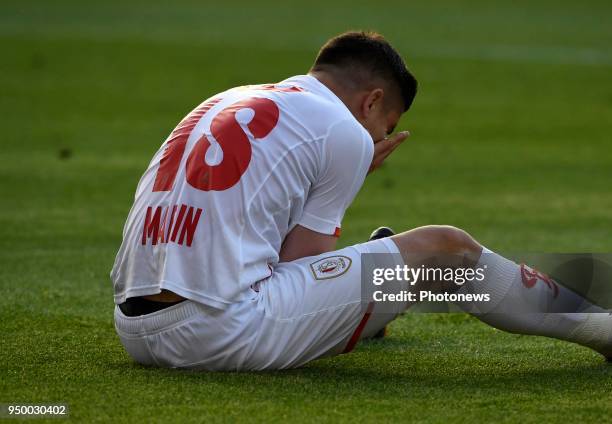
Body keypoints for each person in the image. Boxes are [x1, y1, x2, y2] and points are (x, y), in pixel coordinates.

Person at [111, 31, 612, 371]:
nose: (379, 137)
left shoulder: (227, 99)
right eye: (386, 125)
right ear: (371, 101)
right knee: (446, 252)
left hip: (133, 329)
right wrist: (354, 166)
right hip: (214, 330)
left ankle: (374, 302)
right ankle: (602, 328)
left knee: (386, 264)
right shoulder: (343, 132)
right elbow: (297, 266)